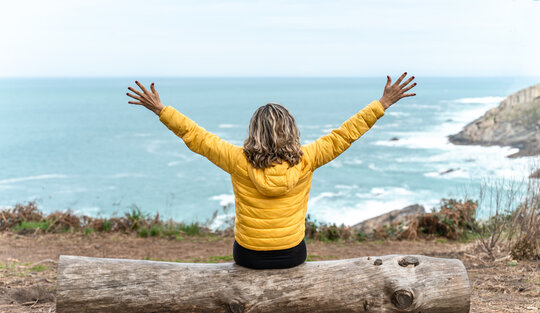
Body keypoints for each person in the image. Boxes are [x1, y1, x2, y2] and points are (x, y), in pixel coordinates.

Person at [126, 73, 416, 269]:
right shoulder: (307, 159)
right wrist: (382, 104)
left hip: (248, 255)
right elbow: (344, 135)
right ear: (291, 130)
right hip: (291, 254)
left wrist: (161, 110)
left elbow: (197, 137)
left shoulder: (237, 160)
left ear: (254, 131)